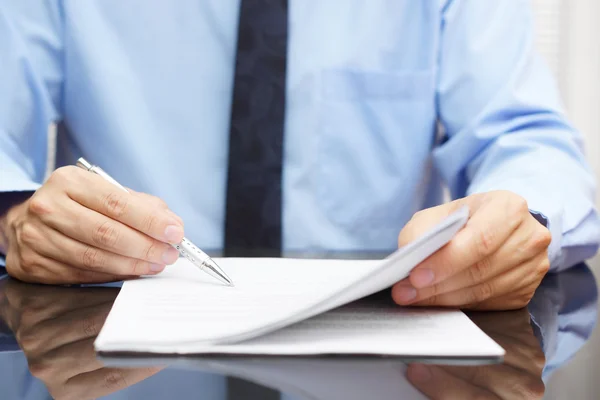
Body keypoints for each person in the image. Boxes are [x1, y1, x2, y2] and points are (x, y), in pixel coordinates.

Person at [0, 1, 598, 311]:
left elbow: (525, 140)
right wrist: (16, 218)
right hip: (111, 339)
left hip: (382, 345)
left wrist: (521, 222)